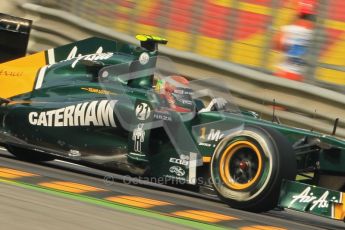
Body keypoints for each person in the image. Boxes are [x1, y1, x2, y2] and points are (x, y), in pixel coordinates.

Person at [274, 0, 317, 81]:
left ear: (297, 14)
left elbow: (278, 46)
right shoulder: (313, 35)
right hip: (299, 77)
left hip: (283, 73)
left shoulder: (286, 30)